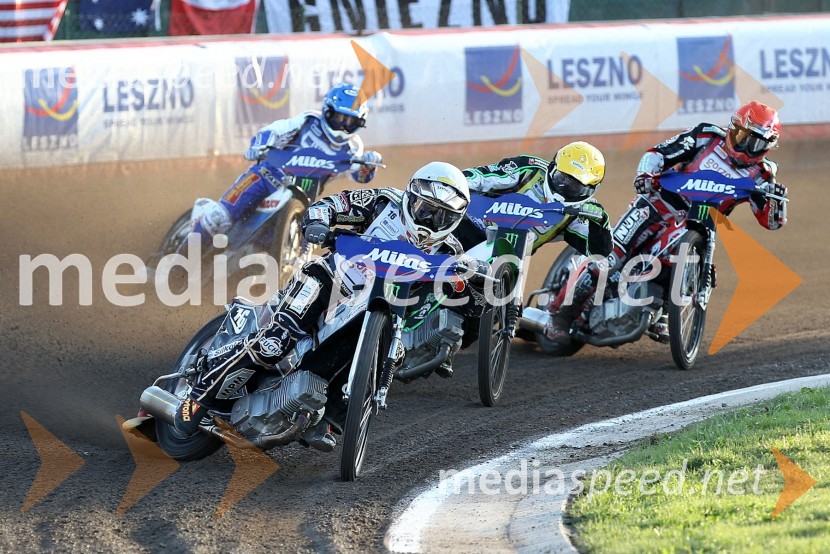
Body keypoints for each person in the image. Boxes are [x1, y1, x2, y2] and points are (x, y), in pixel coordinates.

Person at [173, 162, 488, 450]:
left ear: (455, 220)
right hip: (329, 280)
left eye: (441, 216)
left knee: (384, 357)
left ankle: (327, 420)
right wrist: (318, 222)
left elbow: (471, 306)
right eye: (425, 208)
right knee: (275, 343)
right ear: (411, 196)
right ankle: (200, 395)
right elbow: (333, 206)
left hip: (375, 311)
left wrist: (475, 283)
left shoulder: (451, 251)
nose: (429, 220)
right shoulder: (384, 203)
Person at [546, 100, 788, 345]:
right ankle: (559, 315)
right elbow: (658, 153)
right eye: (743, 137)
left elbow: (770, 221)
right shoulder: (706, 136)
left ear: (768, 146)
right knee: (609, 259)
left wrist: (776, 203)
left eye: (756, 143)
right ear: (733, 128)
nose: (747, 147)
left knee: (681, 263)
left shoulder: (763, 174)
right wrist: (646, 175)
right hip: (655, 205)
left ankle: (662, 309)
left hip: (695, 224)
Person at [192, 82, 383, 244]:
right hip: (266, 177)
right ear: (328, 111)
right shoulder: (308, 120)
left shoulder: (353, 146)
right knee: (219, 218)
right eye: (339, 118)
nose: (343, 126)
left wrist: (369, 165)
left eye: (350, 122)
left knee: (308, 239)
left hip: (304, 196)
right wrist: (259, 144)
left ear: (360, 123)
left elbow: (360, 176)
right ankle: (182, 258)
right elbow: (275, 129)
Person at [459, 141, 613, 256]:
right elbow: (480, 177)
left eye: (575, 187)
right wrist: (455, 182)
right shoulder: (528, 168)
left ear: (590, 190)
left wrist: (599, 224)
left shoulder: (580, 213)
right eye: (562, 178)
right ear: (553, 167)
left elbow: (599, 254)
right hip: (468, 229)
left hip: (504, 262)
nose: (565, 187)